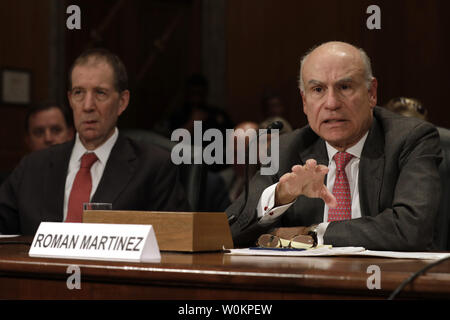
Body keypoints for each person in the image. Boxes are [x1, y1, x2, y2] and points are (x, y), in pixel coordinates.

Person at [226, 41, 442, 251]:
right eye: (318, 89)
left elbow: (411, 228)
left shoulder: (410, 139)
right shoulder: (286, 149)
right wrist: (280, 196)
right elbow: (228, 230)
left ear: (371, 93)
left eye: (345, 87)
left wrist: (311, 234)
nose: (331, 103)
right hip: (308, 282)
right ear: (304, 101)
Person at [0, 48, 190, 235]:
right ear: (70, 99)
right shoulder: (33, 166)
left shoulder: (153, 166)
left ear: (122, 102)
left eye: (100, 93)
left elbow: (177, 241)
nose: (88, 106)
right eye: (79, 93)